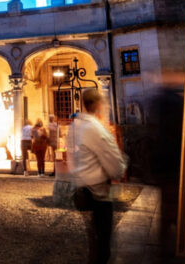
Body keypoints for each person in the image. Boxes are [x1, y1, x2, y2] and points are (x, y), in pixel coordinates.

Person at [69, 88, 128, 264]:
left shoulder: (75, 126)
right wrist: (119, 170)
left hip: (82, 187)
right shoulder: (95, 128)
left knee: (93, 234)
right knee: (103, 235)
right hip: (99, 190)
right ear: (97, 104)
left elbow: (71, 157)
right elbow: (112, 159)